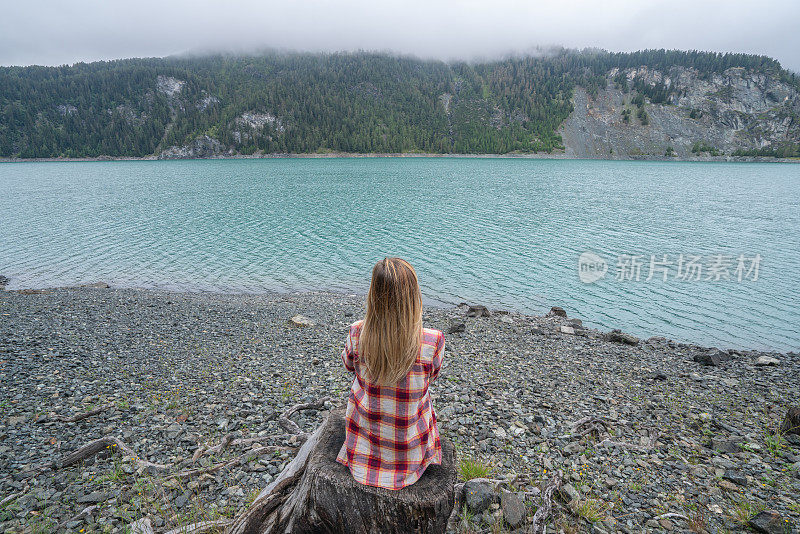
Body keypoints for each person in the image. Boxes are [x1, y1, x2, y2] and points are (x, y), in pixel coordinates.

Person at [336, 257, 445, 490]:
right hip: (410, 454)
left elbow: (348, 365)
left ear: (373, 295)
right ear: (413, 296)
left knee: (360, 389)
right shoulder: (433, 340)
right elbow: (432, 377)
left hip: (364, 450)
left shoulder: (357, 332)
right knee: (423, 398)